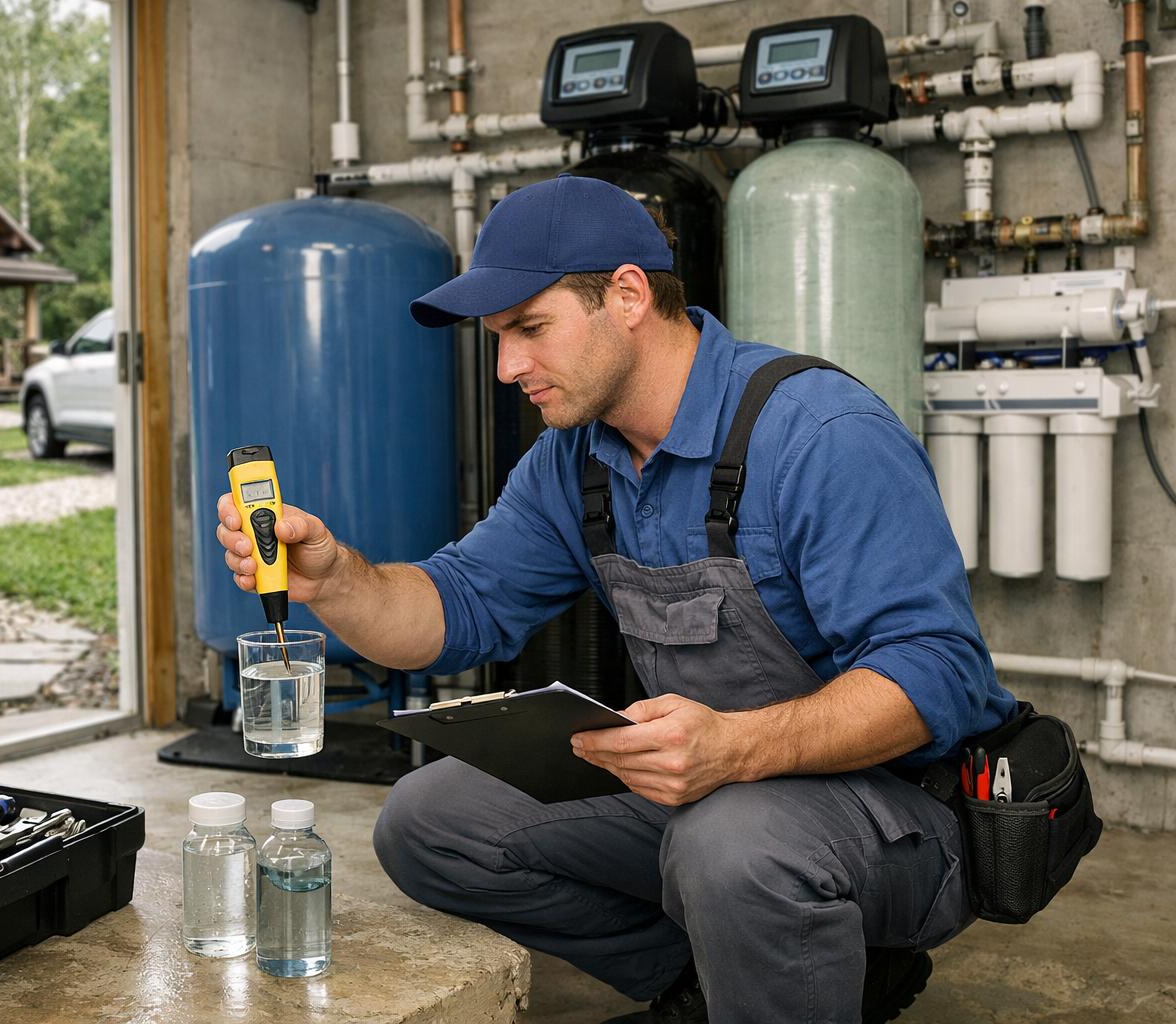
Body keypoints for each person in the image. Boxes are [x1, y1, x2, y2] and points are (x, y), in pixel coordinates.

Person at [214, 173, 1017, 1024]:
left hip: (896, 817)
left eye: (529, 328)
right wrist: (337, 579)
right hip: (712, 789)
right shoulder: (577, 462)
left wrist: (733, 749)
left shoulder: (819, 437)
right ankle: (711, 989)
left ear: (627, 295)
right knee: (429, 821)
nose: (508, 367)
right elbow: (457, 606)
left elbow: (938, 673)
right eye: (497, 337)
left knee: (733, 847)